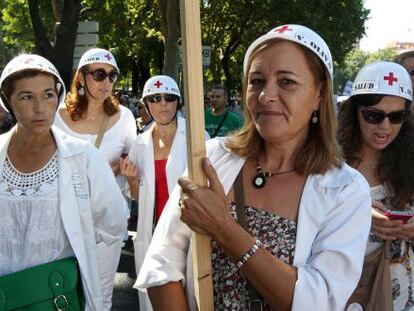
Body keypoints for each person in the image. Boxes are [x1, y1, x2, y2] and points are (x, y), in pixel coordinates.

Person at [135, 24, 372, 310]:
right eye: (257, 81)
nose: (265, 95)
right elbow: (162, 264)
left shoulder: (345, 190)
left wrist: (224, 228)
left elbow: (317, 301)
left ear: (319, 95)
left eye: (286, 82)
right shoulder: (211, 159)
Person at [0, 54, 128, 310]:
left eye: (48, 95)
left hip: (57, 297)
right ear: (7, 101)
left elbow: (113, 223)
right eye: (26, 97)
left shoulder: (83, 157)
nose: (40, 107)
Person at [54, 47, 137, 310]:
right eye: (99, 74)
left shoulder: (124, 117)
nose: (107, 82)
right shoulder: (57, 117)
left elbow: (132, 162)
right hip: (63, 221)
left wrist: (121, 170)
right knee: (64, 294)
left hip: (105, 222)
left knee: (100, 298)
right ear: (81, 77)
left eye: (113, 76)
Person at [119, 75, 208, 311]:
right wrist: (129, 178)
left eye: (169, 98)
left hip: (188, 231)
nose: (163, 105)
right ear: (146, 104)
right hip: (153, 234)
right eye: (155, 99)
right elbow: (141, 198)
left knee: (192, 296)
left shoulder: (196, 138)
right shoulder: (140, 144)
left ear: (178, 102)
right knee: (154, 301)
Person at [338, 61, 414, 310]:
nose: (385, 127)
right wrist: (356, 213)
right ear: (354, 111)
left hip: (400, 293)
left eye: (396, 117)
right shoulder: (329, 164)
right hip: (346, 293)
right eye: (373, 115)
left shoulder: (409, 162)